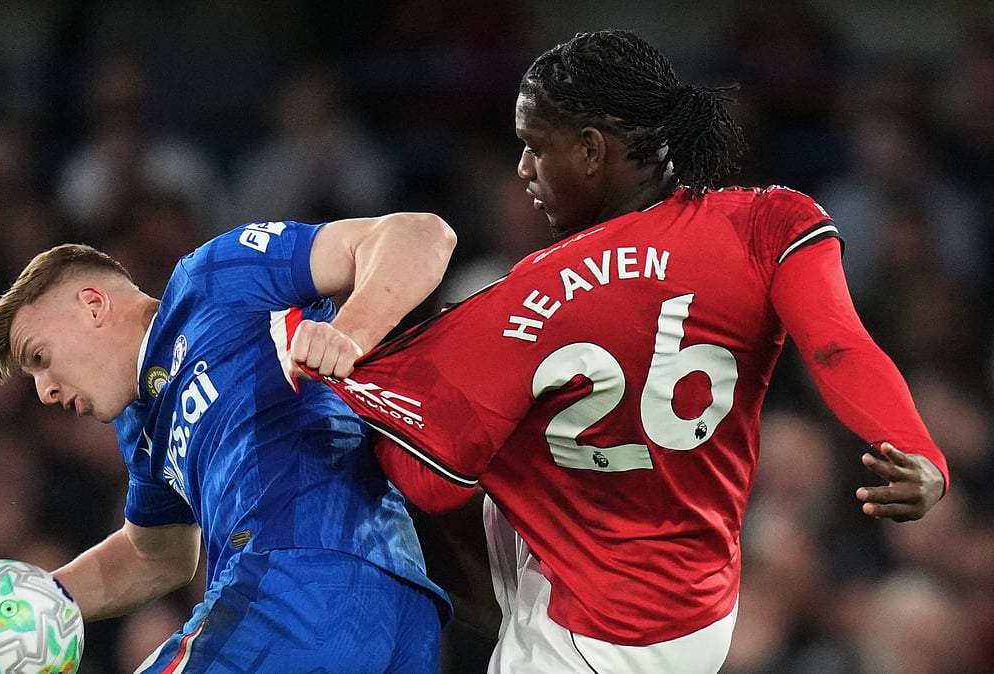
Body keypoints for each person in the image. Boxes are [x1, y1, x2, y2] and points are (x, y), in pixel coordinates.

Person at [300, 30, 949, 673]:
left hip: (583, 642)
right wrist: (919, 453)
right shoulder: (770, 221)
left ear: (589, 150)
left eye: (532, 147)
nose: (523, 169)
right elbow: (839, 345)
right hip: (703, 604)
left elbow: (427, 484)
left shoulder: (527, 295)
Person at [0, 211, 457, 672]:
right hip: (396, 608)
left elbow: (419, 233)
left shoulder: (212, 280)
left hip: (299, 584)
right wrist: (9, 600)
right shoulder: (141, 428)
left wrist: (349, 333)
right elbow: (153, 558)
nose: (45, 392)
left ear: (92, 304)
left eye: (41, 359)